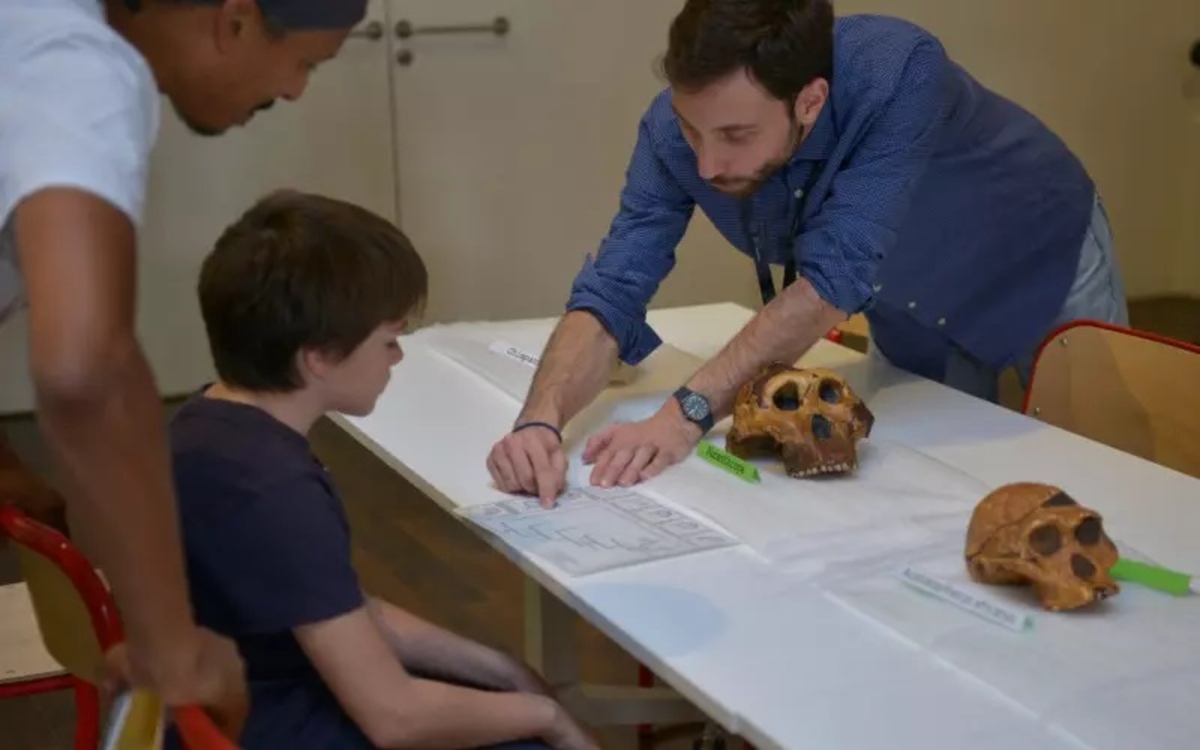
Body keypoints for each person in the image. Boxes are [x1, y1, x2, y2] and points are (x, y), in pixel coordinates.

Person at [486, 0, 1128, 506]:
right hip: (903, 290)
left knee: (1108, 476)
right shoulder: (670, 133)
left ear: (811, 101)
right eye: (691, 130)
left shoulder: (898, 71)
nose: (706, 164)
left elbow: (832, 281)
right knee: (930, 480)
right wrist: (539, 421)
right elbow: (613, 290)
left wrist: (684, 413)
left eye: (737, 135)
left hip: (1037, 251)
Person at [0, 0, 368, 736]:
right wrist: (173, 647)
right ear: (234, 20)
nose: (296, 91)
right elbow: (85, 369)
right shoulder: (82, 63)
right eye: (306, 62)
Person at [163, 189, 597, 750]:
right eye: (389, 340)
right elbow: (395, 718)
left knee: (499, 695)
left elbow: (340, 607)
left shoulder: (202, 423)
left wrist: (503, 670)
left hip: (222, 702)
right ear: (317, 355)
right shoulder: (277, 491)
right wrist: (546, 717)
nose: (397, 357)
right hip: (266, 724)